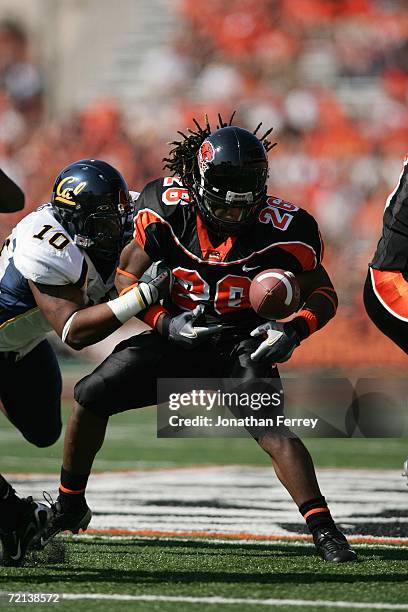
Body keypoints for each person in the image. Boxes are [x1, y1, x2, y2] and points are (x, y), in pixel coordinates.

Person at [43, 116, 356, 563]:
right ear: (201, 185)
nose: (235, 216)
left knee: (271, 428)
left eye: (243, 207)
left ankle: (325, 529)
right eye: (224, 207)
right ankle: (69, 503)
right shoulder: (164, 207)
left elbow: (323, 292)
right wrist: (162, 322)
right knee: (91, 393)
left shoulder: (287, 226)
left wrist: (293, 330)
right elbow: (127, 275)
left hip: (241, 341)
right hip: (177, 333)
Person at [0, 159, 170, 566]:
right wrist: (142, 296)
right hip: (27, 338)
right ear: (72, 219)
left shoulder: (124, 212)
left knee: (44, 431)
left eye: (117, 218)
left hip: (20, 348)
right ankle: (15, 517)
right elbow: (75, 331)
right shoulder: (45, 244)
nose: (116, 229)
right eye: (103, 222)